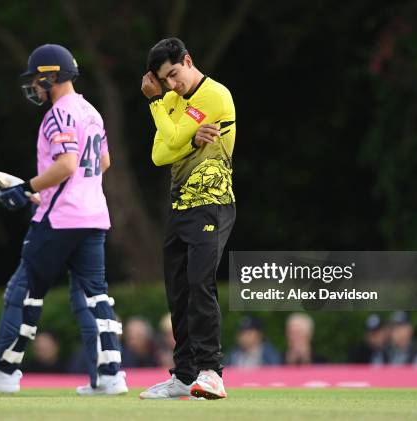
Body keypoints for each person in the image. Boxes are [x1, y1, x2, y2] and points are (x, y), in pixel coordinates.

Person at [0, 44, 127, 396]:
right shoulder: (91, 111)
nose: (34, 87)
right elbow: (103, 162)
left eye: (37, 80)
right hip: (93, 215)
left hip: (61, 220)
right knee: (94, 297)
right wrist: (50, 191)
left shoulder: (59, 114)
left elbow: (67, 164)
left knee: (22, 292)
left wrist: (27, 188)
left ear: (50, 76)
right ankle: (110, 375)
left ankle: (2, 371)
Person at [139, 37, 236, 400]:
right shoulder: (171, 102)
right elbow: (159, 155)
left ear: (188, 60)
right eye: (165, 81)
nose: (172, 85)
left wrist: (156, 106)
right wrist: (190, 140)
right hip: (180, 206)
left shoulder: (215, 96)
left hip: (212, 201)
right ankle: (183, 375)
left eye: (175, 75)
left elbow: (171, 135)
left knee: (200, 284)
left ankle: (212, 371)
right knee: (178, 293)